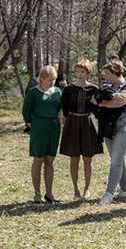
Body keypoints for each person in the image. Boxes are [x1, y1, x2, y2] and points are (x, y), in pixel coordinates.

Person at [93, 60, 126, 206]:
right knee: (116, 158)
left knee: (116, 160)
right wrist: (105, 100)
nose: (103, 77)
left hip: (125, 126)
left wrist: (105, 100)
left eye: (106, 74)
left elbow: (120, 102)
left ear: (114, 73)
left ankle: (109, 194)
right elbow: (94, 99)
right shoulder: (106, 86)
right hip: (108, 127)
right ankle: (125, 190)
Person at [59, 59, 102, 200]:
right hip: (72, 124)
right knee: (74, 159)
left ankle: (87, 189)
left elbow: (98, 109)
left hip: (88, 124)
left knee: (88, 159)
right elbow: (64, 109)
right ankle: (76, 189)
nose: (79, 74)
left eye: (82, 71)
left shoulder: (94, 89)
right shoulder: (68, 89)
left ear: (88, 73)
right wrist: (69, 121)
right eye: (77, 71)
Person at [22, 65, 63, 204]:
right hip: (39, 128)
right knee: (38, 160)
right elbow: (26, 111)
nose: (53, 82)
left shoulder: (58, 91)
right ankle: (37, 194)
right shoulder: (33, 92)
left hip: (54, 128)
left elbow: (60, 109)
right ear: (42, 78)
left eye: (54, 79)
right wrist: (31, 124)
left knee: (50, 161)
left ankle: (49, 194)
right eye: (50, 79)